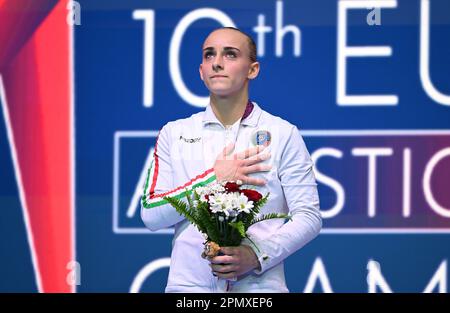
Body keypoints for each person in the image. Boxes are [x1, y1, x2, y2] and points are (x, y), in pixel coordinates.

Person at [141, 27, 322, 293]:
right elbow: (151, 215)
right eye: (209, 55)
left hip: (260, 291)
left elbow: (308, 216)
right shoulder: (174, 133)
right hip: (189, 292)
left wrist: (257, 254)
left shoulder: (283, 133)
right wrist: (214, 178)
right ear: (201, 71)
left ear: (253, 69)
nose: (217, 62)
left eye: (230, 54)